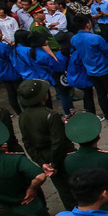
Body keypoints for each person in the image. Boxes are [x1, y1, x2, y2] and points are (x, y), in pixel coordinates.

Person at [17, 79, 75, 209]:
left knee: (63, 190)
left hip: (44, 158)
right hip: (61, 157)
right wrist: (54, 164)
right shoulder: (51, 115)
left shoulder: (23, 116)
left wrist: (42, 162)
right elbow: (58, 142)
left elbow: (27, 142)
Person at [69, 14, 108, 121]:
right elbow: (106, 52)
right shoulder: (96, 38)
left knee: (101, 94)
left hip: (90, 71)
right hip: (105, 70)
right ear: (88, 24)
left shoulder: (74, 39)